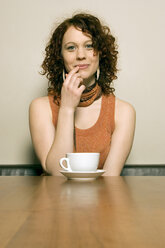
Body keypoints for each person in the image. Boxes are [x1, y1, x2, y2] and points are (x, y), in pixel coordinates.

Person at [29, 13, 136, 176]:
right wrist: (67, 108)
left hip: (105, 200)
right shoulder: (40, 107)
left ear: (101, 53)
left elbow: (110, 180)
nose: (80, 55)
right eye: (71, 47)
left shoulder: (124, 112)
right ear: (60, 56)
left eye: (89, 46)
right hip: (54, 200)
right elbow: (57, 174)